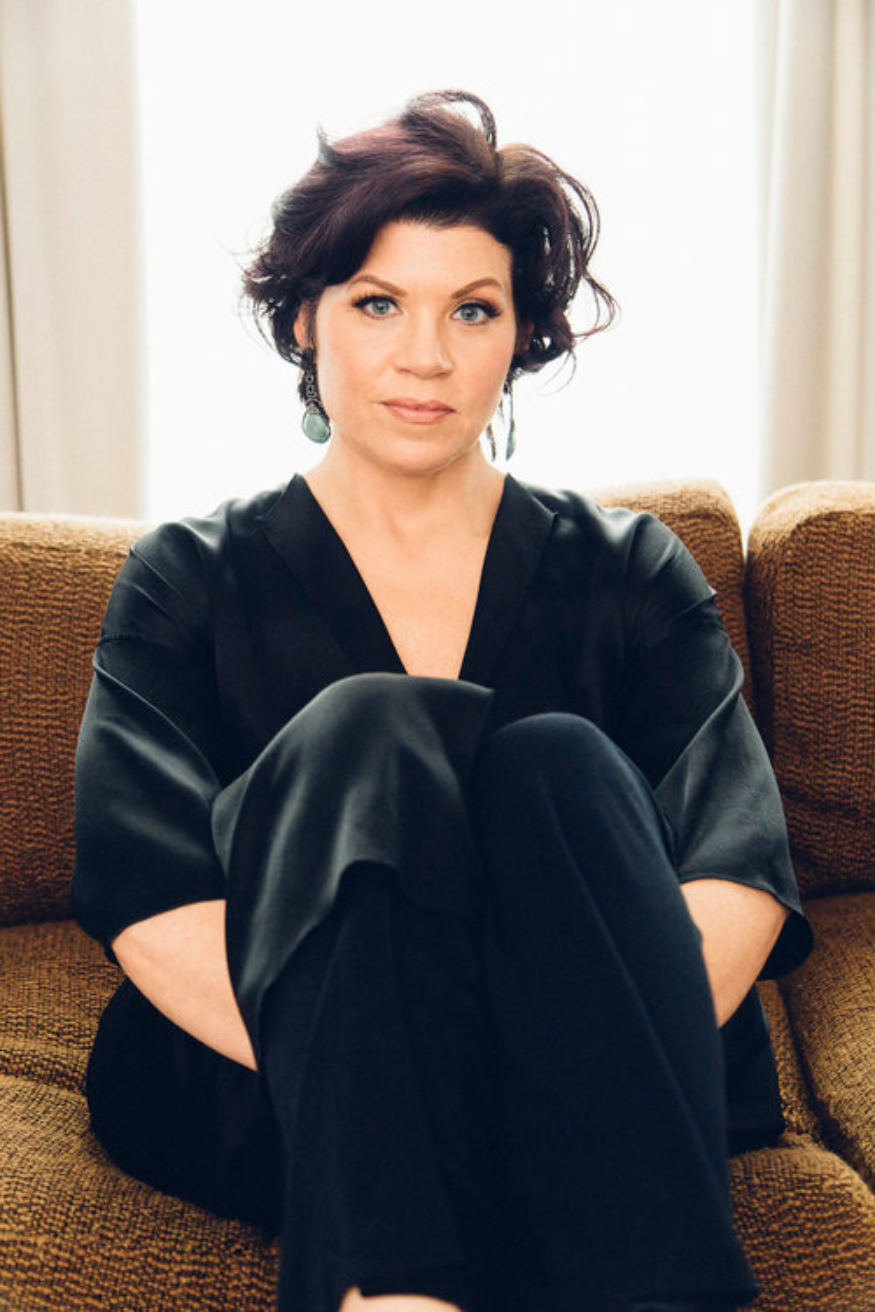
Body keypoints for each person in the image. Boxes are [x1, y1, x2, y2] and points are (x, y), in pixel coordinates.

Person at [72, 90, 813, 1312]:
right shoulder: (189, 578)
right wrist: (409, 1072)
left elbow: (731, 868)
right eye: (377, 304)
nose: (424, 356)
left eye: (471, 310)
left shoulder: (628, 568)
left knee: (559, 762)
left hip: (597, 1068)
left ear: (518, 336)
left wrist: (540, 1060)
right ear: (304, 318)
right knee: (368, 723)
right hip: (281, 1069)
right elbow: (149, 894)